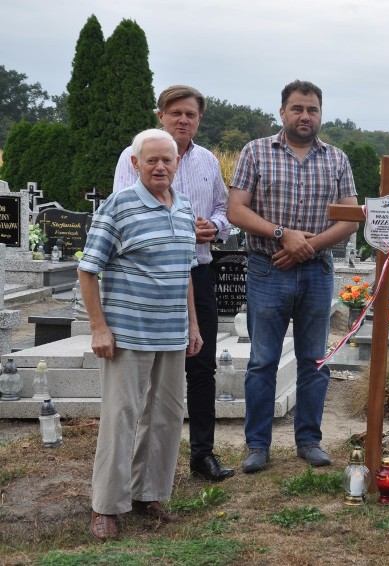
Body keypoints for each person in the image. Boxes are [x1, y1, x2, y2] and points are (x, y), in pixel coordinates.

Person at [227, 80, 358, 473]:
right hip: (268, 269)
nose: (305, 116)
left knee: (314, 360)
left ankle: (309, 440)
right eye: (298, 109)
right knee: (262, 360)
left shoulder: (337, 159)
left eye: (312, 110)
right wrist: (283, 235)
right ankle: (257, 445)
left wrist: (309, 246)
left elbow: (350, 218)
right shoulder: (255, 152)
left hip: (316, 272)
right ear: (282, 112)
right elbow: (237, 210)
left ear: (321, 114)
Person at [80, 129, 202, 542]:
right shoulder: (119, 207)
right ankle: (106, 506)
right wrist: (99, 327)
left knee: (165, 418)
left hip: (171, 334)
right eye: (151, 160)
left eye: (168, 160)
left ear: (177, 163)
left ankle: (148, 494)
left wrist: (194, 325)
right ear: (135, 163)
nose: (160, 167)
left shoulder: (184, 207)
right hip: (128, 335)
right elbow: (87, 268)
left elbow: (185, 271)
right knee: (121, 419)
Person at [113, 85, 234, 482]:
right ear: (161, 115)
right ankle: (135, 462)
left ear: (199, 119)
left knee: (201, 367)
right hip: (147, 278)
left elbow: (224, 209)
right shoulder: (135, 156)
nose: (183, 120)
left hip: (195, 273)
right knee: (144, 373)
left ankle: (202, 454)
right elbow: (121, 211)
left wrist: (213, 227)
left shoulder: (207, 162)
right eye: (175, 113)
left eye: (191, 115)